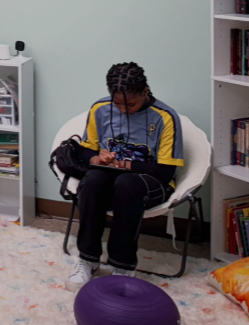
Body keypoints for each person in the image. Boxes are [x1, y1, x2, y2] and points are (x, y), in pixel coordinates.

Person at [66, 62, 184, 292]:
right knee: (91, 182)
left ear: (145, 92)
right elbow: (85, 150)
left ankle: (123, 264)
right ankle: (88, 259)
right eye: (117, 104)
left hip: (151, 181)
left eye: (131, 104)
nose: (123, 110)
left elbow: (166, 170)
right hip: (111, 176)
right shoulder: (99, 109)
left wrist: (128, 164)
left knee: (126, 184)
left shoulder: (165, 117)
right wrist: (96, 158)